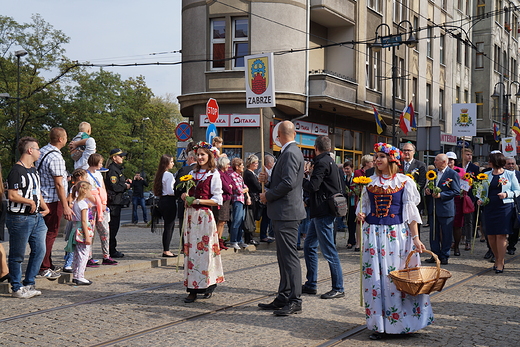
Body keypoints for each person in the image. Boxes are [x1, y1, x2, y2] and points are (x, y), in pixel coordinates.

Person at [356, 142, 432, 340]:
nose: (376, 160)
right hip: (374, 235)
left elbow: (411, 214)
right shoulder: (369, 183)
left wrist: (416, 239)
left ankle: (402, 323)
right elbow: (363, 207)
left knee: (396, 278)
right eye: (375, 156)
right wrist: (362, 215)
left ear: (392, 159)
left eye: (381, 156)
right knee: (377, 280)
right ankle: (380, 325)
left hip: (396, 236)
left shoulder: (405, 182)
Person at [258, 121, 307, 316]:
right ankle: (284, 295)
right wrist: (268, 181)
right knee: (283, 257)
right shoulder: (289, 152)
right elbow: (286, 181)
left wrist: (267, 195)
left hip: (287, 213)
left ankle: (295, 299)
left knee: (289, 258)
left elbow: (288, 183)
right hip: (284, 212)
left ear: (278, 135)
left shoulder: (290, 153)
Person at [6, 137, 50, 298]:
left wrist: (44, 207)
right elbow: (12, 195)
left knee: (39, 250)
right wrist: (29, 202)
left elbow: (36, 191)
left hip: (36, 217)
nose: (39, 152)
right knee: (17, 254)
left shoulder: (33, 170)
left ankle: (29, 283)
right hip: (20, 218)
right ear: (30, 150)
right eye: (37, 149)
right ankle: (16, 287)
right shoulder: (17, 171)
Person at [180, 141, 224, 303]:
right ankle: (191, 288)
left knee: (205, 252)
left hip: (204, 217)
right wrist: (184, 196)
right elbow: (186, 193)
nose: (199, 157)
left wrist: (198, 201)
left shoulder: (214, 174)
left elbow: (217, 199)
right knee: (191, 252)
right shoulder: (192, 173)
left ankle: (207, 285)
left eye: (202, 154)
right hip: (191, 217)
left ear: (210, 156)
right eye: (197, 154)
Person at [302, 135, 344, 299]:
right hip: (322, 210)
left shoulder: (321, 162)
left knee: (329, 251)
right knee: (309, 246)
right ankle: (311, 284)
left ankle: (338, 287)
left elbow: (313, 186)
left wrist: (301, 178)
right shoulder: (330, 161)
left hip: (323, 211)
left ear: (315, 148)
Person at [36, 127, 73, 280]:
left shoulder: (42, 151)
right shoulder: (56, 157)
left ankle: (47, 262)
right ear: (60, 139)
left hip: (41, 197)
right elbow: (58, 184)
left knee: (43, 233)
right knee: (51, 233)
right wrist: (65, 205)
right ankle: (44, 266)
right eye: (65, 137)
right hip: (52, 199)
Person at [477, 152, 520, 273]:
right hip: (490, 207)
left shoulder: (510, 174)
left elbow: (517, 190)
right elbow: (481, 190)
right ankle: (496, 258)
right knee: (490, 235)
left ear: (496, 161)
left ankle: (501, 261)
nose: (488, 163)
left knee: (501, 234)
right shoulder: (486, 174)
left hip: (504, 207)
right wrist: (480, 198)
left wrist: (507, 194)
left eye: (490, 161)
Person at [425, 153, 461, 265]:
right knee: (433, 233)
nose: (434, 162)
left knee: (446, 233)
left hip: (446, 208)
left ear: (444, 162)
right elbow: (429, 185)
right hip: (434, 208)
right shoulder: (433, 173)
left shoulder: (452, 174)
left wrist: (442, 195)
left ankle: (445, 255)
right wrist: (428, 190)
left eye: (436, 160)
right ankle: (435, 254)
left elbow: (456, 191)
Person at [86, 154, 118, 265]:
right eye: (100, 162)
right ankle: (88, 256)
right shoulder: (86, 175)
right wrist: (96, 201)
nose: (101, 165)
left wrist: (103, 202)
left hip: (101, 205)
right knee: (90, 232)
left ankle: (106, 255)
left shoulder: (99, 174)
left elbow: (103, 187)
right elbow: (86, 191)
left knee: (105, 231)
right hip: (91, 205)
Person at [105, 148, 132, 258]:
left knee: (114, 227)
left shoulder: (117, 169)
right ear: (114, 158)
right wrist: (125, 186)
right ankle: (111, 250)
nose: (123, 158)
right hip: (113, 202)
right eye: (120, 156)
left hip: (117, 201)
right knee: (112, 227)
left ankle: (111, 249)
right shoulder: (112, 170)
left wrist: (125, 183)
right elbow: (114, 186)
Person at [69, 181, 95, 285]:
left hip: (76, 229)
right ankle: (80, 276)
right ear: (84, 191)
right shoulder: (83, 204)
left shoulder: (76, 202)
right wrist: (87, 237)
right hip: (82, 231)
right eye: (89, 190)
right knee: (84, 255)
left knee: (77, 254)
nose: (90, 192)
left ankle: (76, 275)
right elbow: (84, 221)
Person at [153, 154, 178, 257]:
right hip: (169, 200)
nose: (173, 163)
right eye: (171, 162)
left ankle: (166, 249)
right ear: (166, 163)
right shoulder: (168, 175)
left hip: (162, 200)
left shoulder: (160, 174)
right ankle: (166, 250)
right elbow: (170, 191)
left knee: (168, 226)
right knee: (169, 226)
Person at [214, 156, 236, 250]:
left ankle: (220, 239)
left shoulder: (226, 174)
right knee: (220, 220)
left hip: (227, 200)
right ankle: (217, 240)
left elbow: (233, 185)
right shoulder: (219, 174)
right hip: (221, 200)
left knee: (223, 221)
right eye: (227, 164)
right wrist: (230, 188)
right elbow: (227, 188)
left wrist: (231, 187)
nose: (229, 165)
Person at [228, 158, 250, 250]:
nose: (243, 167)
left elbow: (245, 187)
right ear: (237, 167)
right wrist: (245, 190)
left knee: (241, 221)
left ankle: (239, 240)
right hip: (237, 200)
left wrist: (245, 190)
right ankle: (233, 241)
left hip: (242, 200)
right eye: (242, 165)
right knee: (236, 220)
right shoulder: (233, 175)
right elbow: (239, 190)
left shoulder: (240, 176)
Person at [461, 148, 480, 251]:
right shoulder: (458, 166)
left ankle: (468, 240)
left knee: (469, 219)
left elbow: (477, 182)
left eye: (470, 155)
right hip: (459, 196)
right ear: (462, 155)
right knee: (459, 219)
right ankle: (459, 237)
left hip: (469, 196)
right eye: (467, 154)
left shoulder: (474, 168)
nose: (469, 156)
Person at [175, 150, 196, 236]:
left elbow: (178, 186)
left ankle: (185, 247)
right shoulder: (203, 170)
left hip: (184, 202)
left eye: (187, 158)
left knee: (184, 228)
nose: (186, 160)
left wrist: (178, 196)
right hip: (198, 203)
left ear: (191, 158)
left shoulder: (185, 169)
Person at [243, 154, 261, 245]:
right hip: (251, 197)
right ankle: (248, 238)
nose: (257, 164)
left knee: (253, 217)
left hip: (255, 197)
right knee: (250, 218)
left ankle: (250, 237)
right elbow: (257, 186)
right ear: (250, 163)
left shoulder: (252, 173)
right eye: (255, 163)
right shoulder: (248, 173)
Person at [505, 157, 520, 255]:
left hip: (517, 204)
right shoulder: (502, 175)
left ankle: (511, 246)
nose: (511, 166)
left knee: (515, 226)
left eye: (512, 164)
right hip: (505, 204)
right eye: (508, 164)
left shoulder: (519, 175)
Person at [259, 154, 275, 242]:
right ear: (269, 163)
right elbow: (262, 184)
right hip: (264, 196)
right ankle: (263, 235)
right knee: (264, 217)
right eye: (272, 162)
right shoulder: (262, 171)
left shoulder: (271, 171)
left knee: (268, 217)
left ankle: (268, 233)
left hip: (270, 196)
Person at [343, 160, 357, 249]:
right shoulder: (344, 177)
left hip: (352, 202)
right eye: (345, 169)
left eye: (348, 169)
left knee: (352, 221)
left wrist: (352, 192)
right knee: (348, 221)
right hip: (345, 202)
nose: (346, 170)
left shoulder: (355, 177)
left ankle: (351, 240)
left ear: (352, 168)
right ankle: (351, 239)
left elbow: (357, 188)